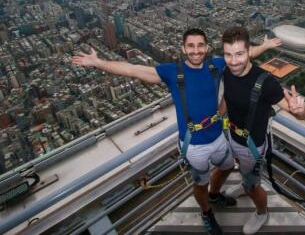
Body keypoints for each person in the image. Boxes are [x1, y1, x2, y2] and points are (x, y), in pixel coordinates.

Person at [72, 28, 281, 235]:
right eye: (190, 46)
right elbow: (133, 69)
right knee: (201, 183)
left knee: (226, 167)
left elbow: (241, 56)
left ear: (207, 48)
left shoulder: (216, 65)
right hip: (194, 145)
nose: (196, 50)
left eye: (200, 45)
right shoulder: (173, 72)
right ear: (183, 48)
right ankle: (206, 212)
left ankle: (215, 194)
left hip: (218, 138)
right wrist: (98, 63)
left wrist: (265, 46)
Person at [220, 26, 305, 235]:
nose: (233, 61)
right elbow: (227, 97)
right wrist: (219, 115)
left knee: (254, 186)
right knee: (244, 171)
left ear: (248, 51)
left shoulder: (266, 83)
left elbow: (297, 112)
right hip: (231, 136)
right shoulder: (228, 71)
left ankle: (262, 211)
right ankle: (245, 184)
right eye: (228, 54)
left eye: (240, 54)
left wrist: (300, 111)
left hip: (252, 145)